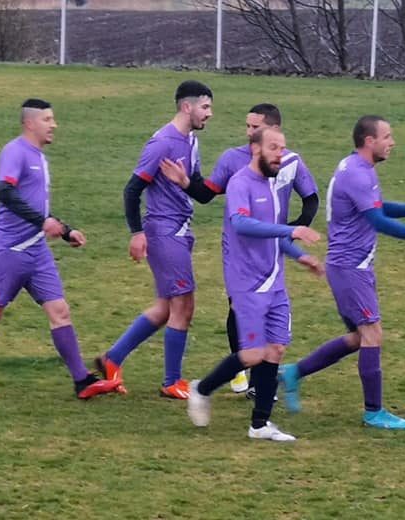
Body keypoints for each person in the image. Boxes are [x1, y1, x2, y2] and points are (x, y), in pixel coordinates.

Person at [277, 115, 405, 430]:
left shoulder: (358, 168)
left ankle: (294, 373)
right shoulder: (357, 174)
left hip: (353, 266)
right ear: (369, 141)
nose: (392, 143)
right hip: (350, 269)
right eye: (387, 137)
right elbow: (378, 221)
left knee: (358, 338)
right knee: (372, 334)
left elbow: (376, 207)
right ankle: (374, 412)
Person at [0, 98, 117, 400]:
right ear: (30, 123)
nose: (54, 124)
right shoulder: (14, 152)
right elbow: (4, 193)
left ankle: (81, 380)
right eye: (47, 119)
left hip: (37, 250)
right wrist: (43, 222)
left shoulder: (39, 157)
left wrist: (65, 231)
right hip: (10, 250)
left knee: (60, 311)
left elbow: (36, 205)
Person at [159, 103, 319, 396]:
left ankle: (256, 383)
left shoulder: (291, 162)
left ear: (274, 130)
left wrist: (291, 232)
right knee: (240, 308)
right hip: (239, 250)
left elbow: (311, 200)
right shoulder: (232, 159)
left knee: (270, 311)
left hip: (272, 246)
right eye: (247, 126)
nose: (248, 132)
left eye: (255, 127)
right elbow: (207, 194)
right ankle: (241, 369)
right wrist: (185, 182)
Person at [186, 127, 323, 442]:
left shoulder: (273, 187)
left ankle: (260, 425)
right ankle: (201, 389)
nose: (280, 154)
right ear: (255, 149)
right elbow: (242, 223)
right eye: (274, 148)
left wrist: (300, 256)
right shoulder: (240, 183)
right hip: (246, 283)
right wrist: (291, 231)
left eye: (283, 148)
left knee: (275, 349)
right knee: (252, 354)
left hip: (274, 280)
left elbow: (272, 233)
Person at [93, 81, 213, 399]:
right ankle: (171, 381)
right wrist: (137, 233)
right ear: (186, 107)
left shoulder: (192, 141)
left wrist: (198, 182)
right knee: (184, 305)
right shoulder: (162, 143)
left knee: (164, 308)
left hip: (181, 230)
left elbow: (200, 192)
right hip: (164, 232)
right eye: (205, 107)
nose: (209, 114)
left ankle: (112, 359)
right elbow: (132, 190)